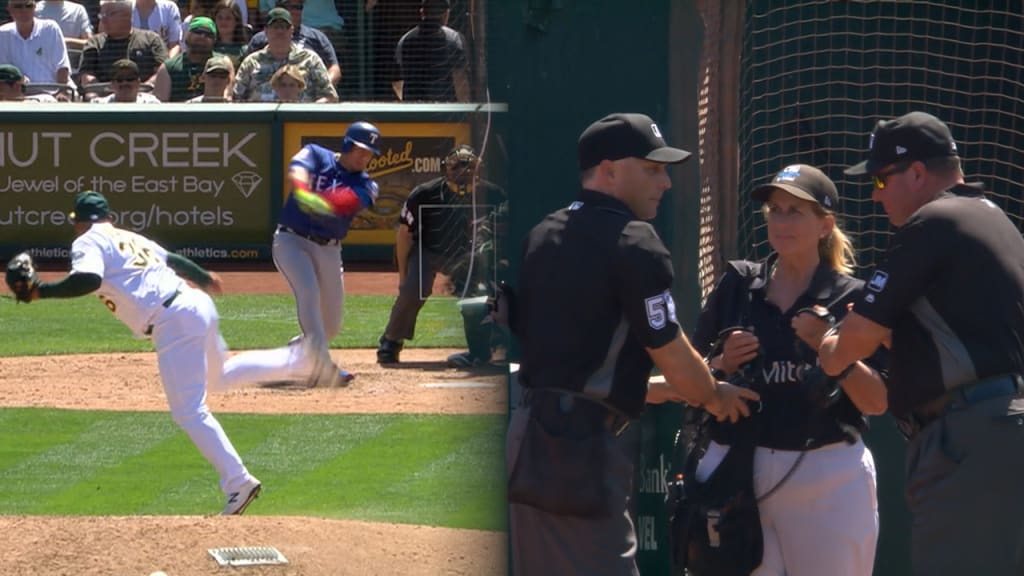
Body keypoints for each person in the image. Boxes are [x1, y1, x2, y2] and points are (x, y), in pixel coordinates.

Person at [507, 113, 759, 576]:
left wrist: (667, 388)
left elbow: (582, 367)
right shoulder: (633, 239)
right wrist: (713, 393)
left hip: (529, 434)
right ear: (609, 171)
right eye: (651, 168)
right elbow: (675, 355)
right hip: (580, 447)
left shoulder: (542, 234)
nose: (664, 182)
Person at [17, 191, 340, 515]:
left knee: (189, 411)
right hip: (195, 303)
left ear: (82, 221)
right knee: (221, 376)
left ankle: (238, 481)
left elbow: (88, 279)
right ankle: (301, 359)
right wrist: (203, 277)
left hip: (172, 321)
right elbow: (172, 260)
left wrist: (40, 292)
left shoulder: (88, 241)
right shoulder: (130, 237)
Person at [811, 111, 1024, 576]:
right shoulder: (995, 219)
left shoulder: (932, 222)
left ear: (918, 173)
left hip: (968, 437)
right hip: (1001, 425)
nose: (874, 195)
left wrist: (829, 342)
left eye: (882, 183)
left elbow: (850, 345)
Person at [689, 164, 887, 576]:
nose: (781, 221)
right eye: (775, 211)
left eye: (795, 211)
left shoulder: (852, 297)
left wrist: (828, 348)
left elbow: (879, 401)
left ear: (824, 225)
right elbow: (690, 377)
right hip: (737, 473)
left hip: (826, 475)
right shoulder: (739, 286)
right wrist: (721, 363)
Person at [376, 144, 506, 369]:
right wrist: (403, 276)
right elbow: (404, 235)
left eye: (468, 168)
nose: (463, 173)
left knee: (475, 298)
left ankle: (483, 349)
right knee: (411, 291)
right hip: (429, 250)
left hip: (469, 256)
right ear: (447, 169)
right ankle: (391, 341)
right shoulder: (425, 193)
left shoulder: (493, 194)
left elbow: (504, 233)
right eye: (458, 167)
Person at [274, 120, 382, 385]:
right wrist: (301, 190)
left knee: (331, 324)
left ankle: (298, 348)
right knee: (308, 292)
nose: (365, 157)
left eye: (369, 153)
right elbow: (297, 172)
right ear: (347, 145)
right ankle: (323, 366)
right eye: (360, 150)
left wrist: (315, 201)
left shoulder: (368, 185)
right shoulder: (315, 153)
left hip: (329, 249)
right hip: (291, 241)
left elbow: (343, 204)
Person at [232, 6, 336, 102]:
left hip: (301, 120)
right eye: (275, 27)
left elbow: (330, 96)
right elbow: (235, 97)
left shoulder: (310, 60)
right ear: (266, 31)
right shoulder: (251, 62)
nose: (280, 31)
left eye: (284, 27)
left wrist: (308, 111)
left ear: (292, 31)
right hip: (261, 120)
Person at [78, 0, 166, 99]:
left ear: (127, 15)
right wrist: (115, 93)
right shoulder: (94, 43)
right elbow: (87, 77)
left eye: (108, 14)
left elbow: (162, 72)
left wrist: (135, 92)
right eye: (101, 15)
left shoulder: (151, 39)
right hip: (105, 100)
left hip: (144, 99)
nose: (103, 20)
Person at [245, 0, 340, 87]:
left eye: (298, 7)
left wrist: (323, 88)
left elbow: (334, 69)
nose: (294, 11)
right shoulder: (259, 40)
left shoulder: (317, 38)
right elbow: (245, 72)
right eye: (289, 7)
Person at [394, 0, 468, 102]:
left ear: (422, 13)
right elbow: (460, 81)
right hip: (445, 111)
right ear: (446, 13)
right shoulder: (455, 39)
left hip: (414, 112)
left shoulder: (405, 40)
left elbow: (398, 81)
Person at [0, 0, 72, 92]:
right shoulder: (2, 34)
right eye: (18, 6)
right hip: (18, 96)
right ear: (10, 10)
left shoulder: (50, 28)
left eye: (28, 6)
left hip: (52, 93)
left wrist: (62, 92)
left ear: (35, 7)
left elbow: (62, 68)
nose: (24, 10)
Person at [152, 16, 222, 101]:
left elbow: (227, 97)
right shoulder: (168, 67)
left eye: (208, 34)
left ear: (214, 40)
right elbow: (159, 105)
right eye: (198, 31)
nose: (202, 36)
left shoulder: (222, 63)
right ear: (187, 35)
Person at [90, 57, 161, 101]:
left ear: (138, 82)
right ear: (112, 84)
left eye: (130, 79)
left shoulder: (151, 103)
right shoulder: (99, 105)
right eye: (119, 79)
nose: (125, 83)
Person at [211, 0, 246, 68]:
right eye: (220, 18)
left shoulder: (244, 51)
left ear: (237, 21)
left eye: (228, 18)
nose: (223, 22)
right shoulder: (208, 48)